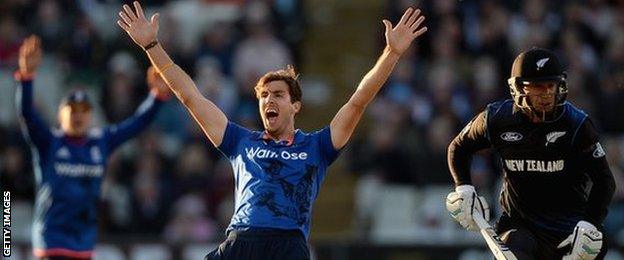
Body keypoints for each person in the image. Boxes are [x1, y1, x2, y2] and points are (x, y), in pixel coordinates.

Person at [116, 2, 427, 259]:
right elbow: (190, 97)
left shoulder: (317, 146)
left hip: (288, 245)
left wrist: (392, 54)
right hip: (242, 240)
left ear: (295, 106)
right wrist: (151, 46)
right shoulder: (240, 141)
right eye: (263, 95)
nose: (268, 100)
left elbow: (358, 102)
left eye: (278, 94)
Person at [445, 48, 616, 259]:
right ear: (518, 88)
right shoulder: (497, 118)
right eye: (537, 87)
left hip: (569, 230)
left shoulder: (577, 124)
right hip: (520, 227)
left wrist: (590, 223)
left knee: (597, 245)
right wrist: (464, 188)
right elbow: (459, 147)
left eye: (550, 86)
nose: (546, 95)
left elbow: (604, 181)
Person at [15, 35, 170, 260]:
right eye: (72, 110)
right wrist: (26, 78)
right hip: (52, 239)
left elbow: (136, 124)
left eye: (83, 111)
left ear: (90, 114)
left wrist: (156, 97)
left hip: (84, 241)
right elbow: (27, 115)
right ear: (61, 115)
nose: (77, 116)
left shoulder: (101, 141)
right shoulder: (49, 142)